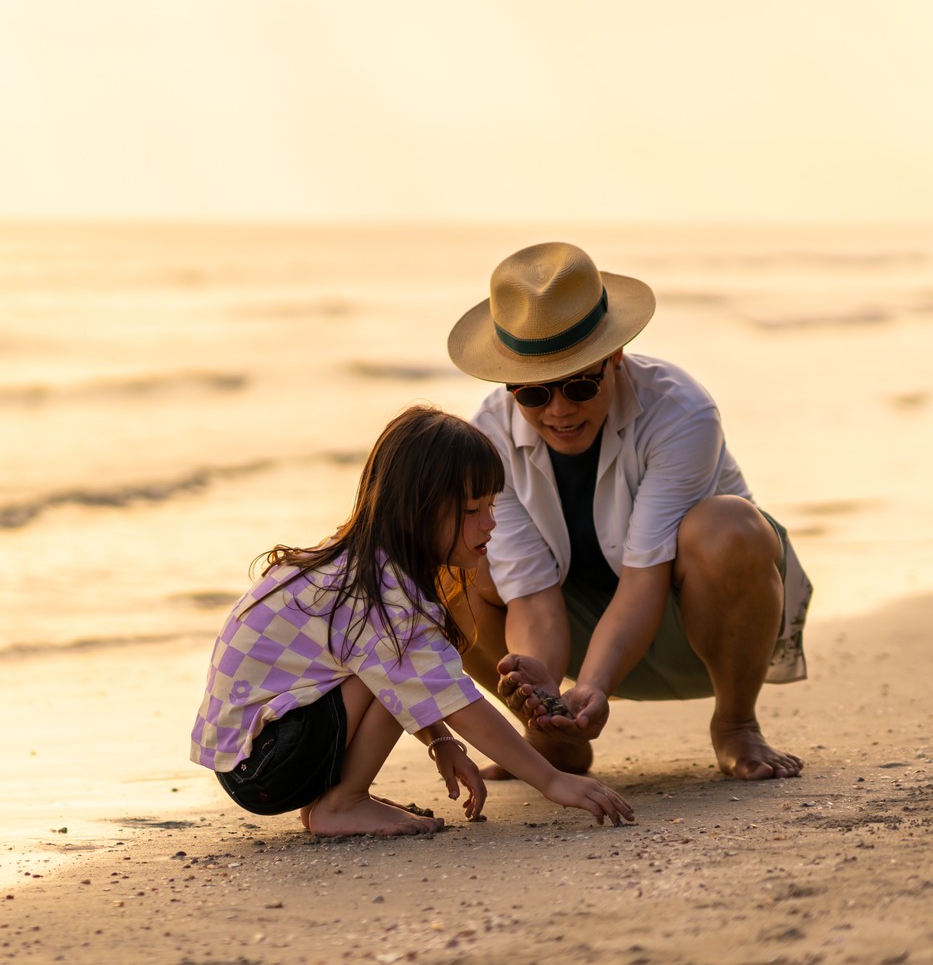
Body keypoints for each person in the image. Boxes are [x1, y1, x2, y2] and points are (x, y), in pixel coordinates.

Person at [444, 241, 812, 781]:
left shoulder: (680, 410)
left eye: (579, 383)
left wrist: (592, 687)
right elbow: (530, 596)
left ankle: (736, 724)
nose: (560, 410)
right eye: (535, 395)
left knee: (729, 526)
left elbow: (644, 578)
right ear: (508, 386)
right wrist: (547, 695)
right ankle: (550, 741)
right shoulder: (489, 438)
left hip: (709, 632)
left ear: (615, 357)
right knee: (447, 558)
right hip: (580, 629)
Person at [190, 405, 635, 837]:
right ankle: (341, 803)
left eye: (491, 506)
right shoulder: (383, 594)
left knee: (395, 661)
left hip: (256, 758)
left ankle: (338, 798)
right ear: (415, 510)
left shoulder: (359, 564)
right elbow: (454, 698)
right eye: (471, 511)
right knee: (402, 655)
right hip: (268, 763)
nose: (490, 524)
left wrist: (439, 741)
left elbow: (406, 681)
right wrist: (552, 780)